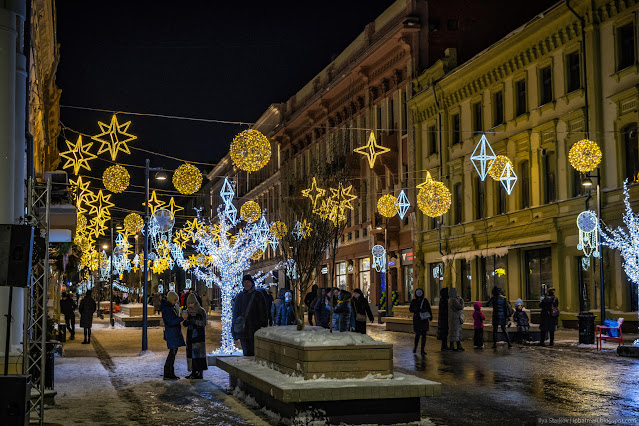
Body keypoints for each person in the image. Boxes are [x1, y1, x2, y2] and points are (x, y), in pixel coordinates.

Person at [232, 275, 268, 356]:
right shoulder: (240, 296)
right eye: (244, 282)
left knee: (254, 352)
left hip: (254, 329)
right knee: (246, 352)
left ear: (252, 283)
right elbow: (235, 313)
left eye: (248, 282)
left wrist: (263, 325)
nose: (246, 284)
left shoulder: (258, 295)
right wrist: (234, 328)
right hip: (243, 330)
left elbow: (263, 312)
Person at [181, 293, 208, 380]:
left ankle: (199, 372)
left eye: (191, 303)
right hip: (190, 336)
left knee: (198, 355)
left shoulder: (201, 311)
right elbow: (185, 324)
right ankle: (193, 371)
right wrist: (185, 320)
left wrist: (192, 320)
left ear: (195, 303)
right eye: (188, 303)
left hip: (198, 336)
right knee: (191, 355)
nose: (190, 305)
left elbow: (203, 323)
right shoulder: (188, 311)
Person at [161, 291, 185, 380]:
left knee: (173, 353)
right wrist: (181, 318)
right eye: (175, 300)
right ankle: (168, 373)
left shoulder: (170, 307)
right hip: (172, 333)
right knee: (172, 353)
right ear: (171, 300)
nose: (176, 302)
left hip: (173, 333)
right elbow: (170, 321)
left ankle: (170, 373)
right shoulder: (167, 309)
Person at [409, 288, 433, 355]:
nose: (419, 294)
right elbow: (410, 309)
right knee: (418, 334)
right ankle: (415, 347)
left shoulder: (425, 300)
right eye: (418, 293)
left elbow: (429, 309)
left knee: (424, 335)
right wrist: (416, 309)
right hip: (417, 320)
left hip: (424, 319)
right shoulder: (414, 301)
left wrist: (430, 316)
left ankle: (422, 350)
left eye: (420, 293)